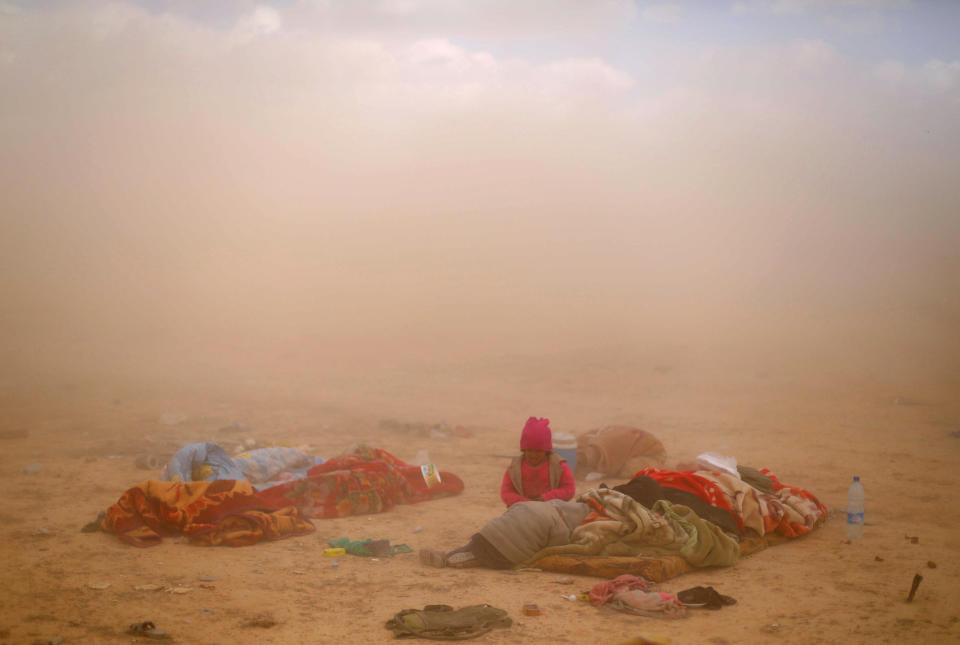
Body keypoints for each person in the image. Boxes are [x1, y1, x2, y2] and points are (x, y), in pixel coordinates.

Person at [419, 498, 589, 569]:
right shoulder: (560, 526)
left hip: (486, 535)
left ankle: (449, 555)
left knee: (476, 544)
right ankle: (474, 560)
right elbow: (554, 551)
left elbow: (507, 514)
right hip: (506, 555)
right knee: (494, 555)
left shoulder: (530, 503)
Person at [500, 417, 575, 507]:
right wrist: (524, 502)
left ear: (546, 451)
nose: (534, 455)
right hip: (521, 511)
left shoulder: (559, 467)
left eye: (538, 451)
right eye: (530, 450)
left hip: (552, 510)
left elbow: (569, 490)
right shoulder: (515, 468)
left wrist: (546, 498)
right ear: (524, 450)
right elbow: (506, 492)